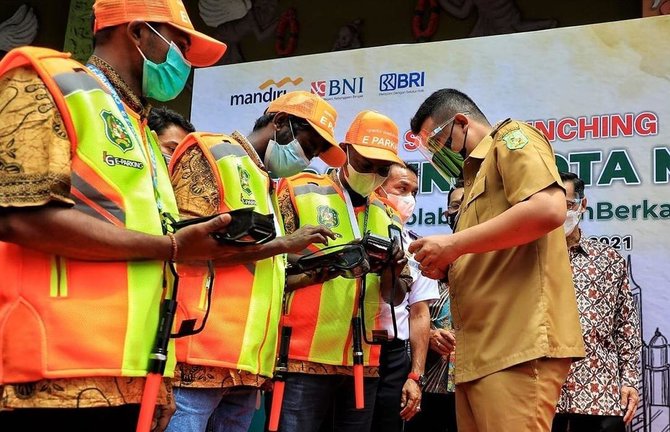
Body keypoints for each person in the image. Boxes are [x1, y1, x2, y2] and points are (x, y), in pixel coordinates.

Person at [0, 0, 237, 430]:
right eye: (179, 45)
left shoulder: (142, 129)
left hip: (129, 378)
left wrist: (157, 381)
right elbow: (19, 217)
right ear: (138, 32)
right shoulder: (48, 82)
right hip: (51, 380)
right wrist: (173, 246)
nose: (183, 62)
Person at [164, 90, 345, 432]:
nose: (309, 159)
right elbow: (186, 246)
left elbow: (260, 272)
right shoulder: (214, 153)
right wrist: (284, 244)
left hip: (249, 362)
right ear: (280, 123)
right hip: (198, 353)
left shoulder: (269, 185)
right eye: (309, 146)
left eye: (317, 153)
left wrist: (312, 272)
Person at [407, 88, 585, 432]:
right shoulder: (472, 182)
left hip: (516, 345)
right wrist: (447, 264)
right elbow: (493, 249)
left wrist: (453, 245)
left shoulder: (511, 138)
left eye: (439, 142)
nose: (437, 156)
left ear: (461, 122)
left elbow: (549, 208)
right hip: (479, 352)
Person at [272, 110, 412, 432]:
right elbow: (271, 268)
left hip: (364, 362)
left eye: (382, 169)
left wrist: (392, 270)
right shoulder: (299, 189)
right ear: (346, 150)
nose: (373, 174)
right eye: (365, 164)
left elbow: (395, 295)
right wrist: (325, 266)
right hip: (301, 356)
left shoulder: (388, 214)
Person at [552, 172, 641, 432]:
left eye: (568, 205)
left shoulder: (608, 260)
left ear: (583, 204)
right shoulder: (527, 259)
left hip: (599, 393)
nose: (561, 213)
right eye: (554, 206)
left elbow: (626, 327)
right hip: (544, 395)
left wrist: (629, 382)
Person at [371, 162, 439, 432]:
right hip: (351, 350)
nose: (409, 198)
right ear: (377, 188)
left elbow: (420, 314)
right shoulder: (356, 234)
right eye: (401, 188)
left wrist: (415, 376)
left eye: (414, 191)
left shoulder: (416, 248)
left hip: (394, 357)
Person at [406, 180, 463, 432]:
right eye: (455, 205)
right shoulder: (430, 255)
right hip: (428, 384)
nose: (460, 211)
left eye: (467, 204)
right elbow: (403, 312)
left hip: (478, 383)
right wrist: (427, 335)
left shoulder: (499, 260)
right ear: (446, 213)